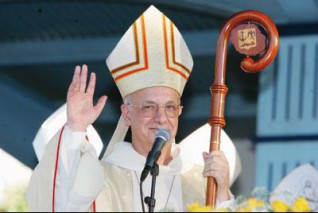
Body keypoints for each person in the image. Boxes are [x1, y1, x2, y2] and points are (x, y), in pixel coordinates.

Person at [27, 5, 236, 212]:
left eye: (170, 107)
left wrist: (223, 197)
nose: (161, 118)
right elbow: (63, 202)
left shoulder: (201, 185)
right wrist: (76, 128)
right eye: (148, 107)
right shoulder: (103, 180)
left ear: (179, 112)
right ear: (127, 114)